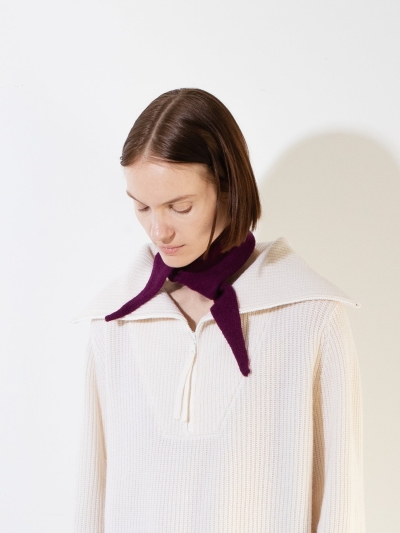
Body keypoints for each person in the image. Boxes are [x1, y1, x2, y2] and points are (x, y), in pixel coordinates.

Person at [73, 88, 365, 533]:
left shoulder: (311, 315)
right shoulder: (113, 321)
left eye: (180, 206)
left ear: (229, 187)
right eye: (142, 207)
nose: (159, 230)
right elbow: (91, 495)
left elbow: (341, 504)